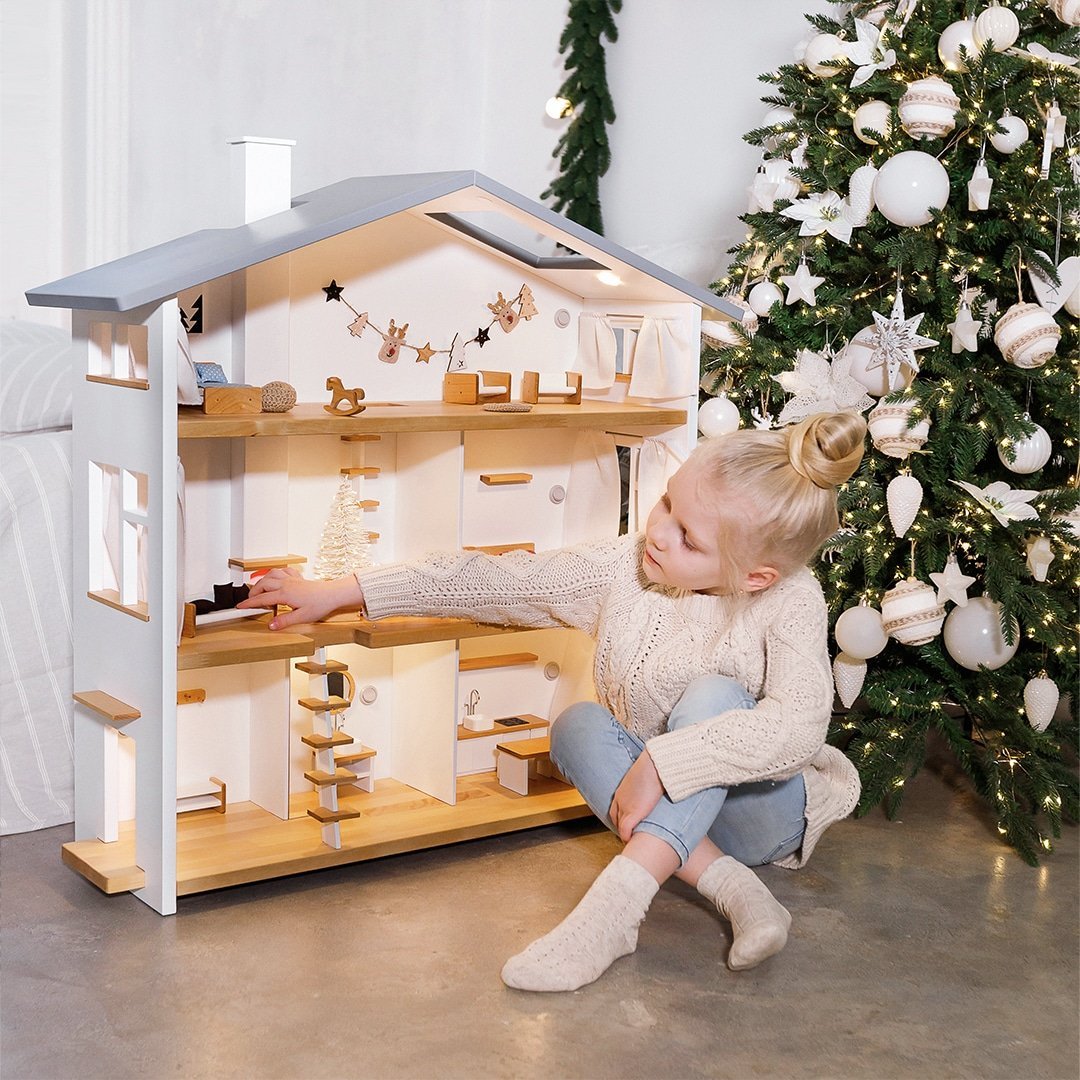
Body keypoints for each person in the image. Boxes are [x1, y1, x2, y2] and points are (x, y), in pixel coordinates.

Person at [238, 410, 866, 992]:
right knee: (576, 726)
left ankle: (613, 913)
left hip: (758, 815)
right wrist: (341, 591)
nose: (658, 532)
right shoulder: (627, 568)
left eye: (689, 539)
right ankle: (739, 892)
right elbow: (497, 580)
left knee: (714, 696)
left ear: (755, 575)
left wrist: (663, 761)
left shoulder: (790, 601)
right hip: (668, 816)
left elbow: (801, 724)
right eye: (667, 503)